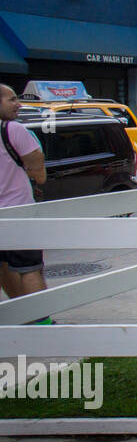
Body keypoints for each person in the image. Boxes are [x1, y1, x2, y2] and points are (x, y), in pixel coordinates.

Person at [0, 84, 49, 315]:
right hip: (18, 212)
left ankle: (20, 314)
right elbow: (39, 170)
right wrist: (34, 176)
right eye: (11, 100)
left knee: (3, 267)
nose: (18, 104)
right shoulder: (12, 129)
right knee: (30, 268)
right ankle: (40, 321)